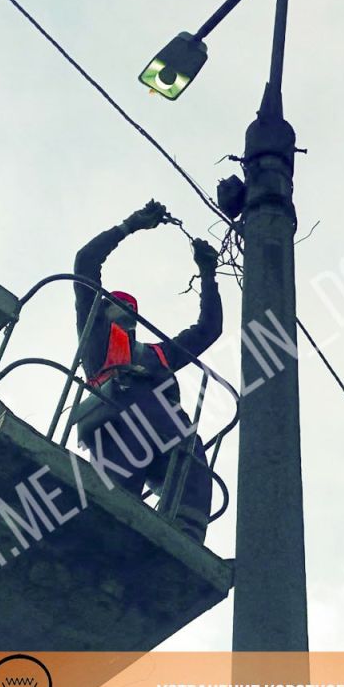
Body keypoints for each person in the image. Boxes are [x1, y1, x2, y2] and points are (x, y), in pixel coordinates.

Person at [73, 200, 222, 544]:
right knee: (116, 510)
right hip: (118, 423)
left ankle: (185, 536)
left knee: (190, 457)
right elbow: (86, 262)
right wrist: (130, 225)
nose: (126, 308)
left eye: (131, 306)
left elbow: (208, 329)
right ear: (102, 308)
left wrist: (208, 273)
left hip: (166, 429)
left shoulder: (158, 355)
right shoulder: (96, 339)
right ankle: (111, 535)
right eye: (117, 303)